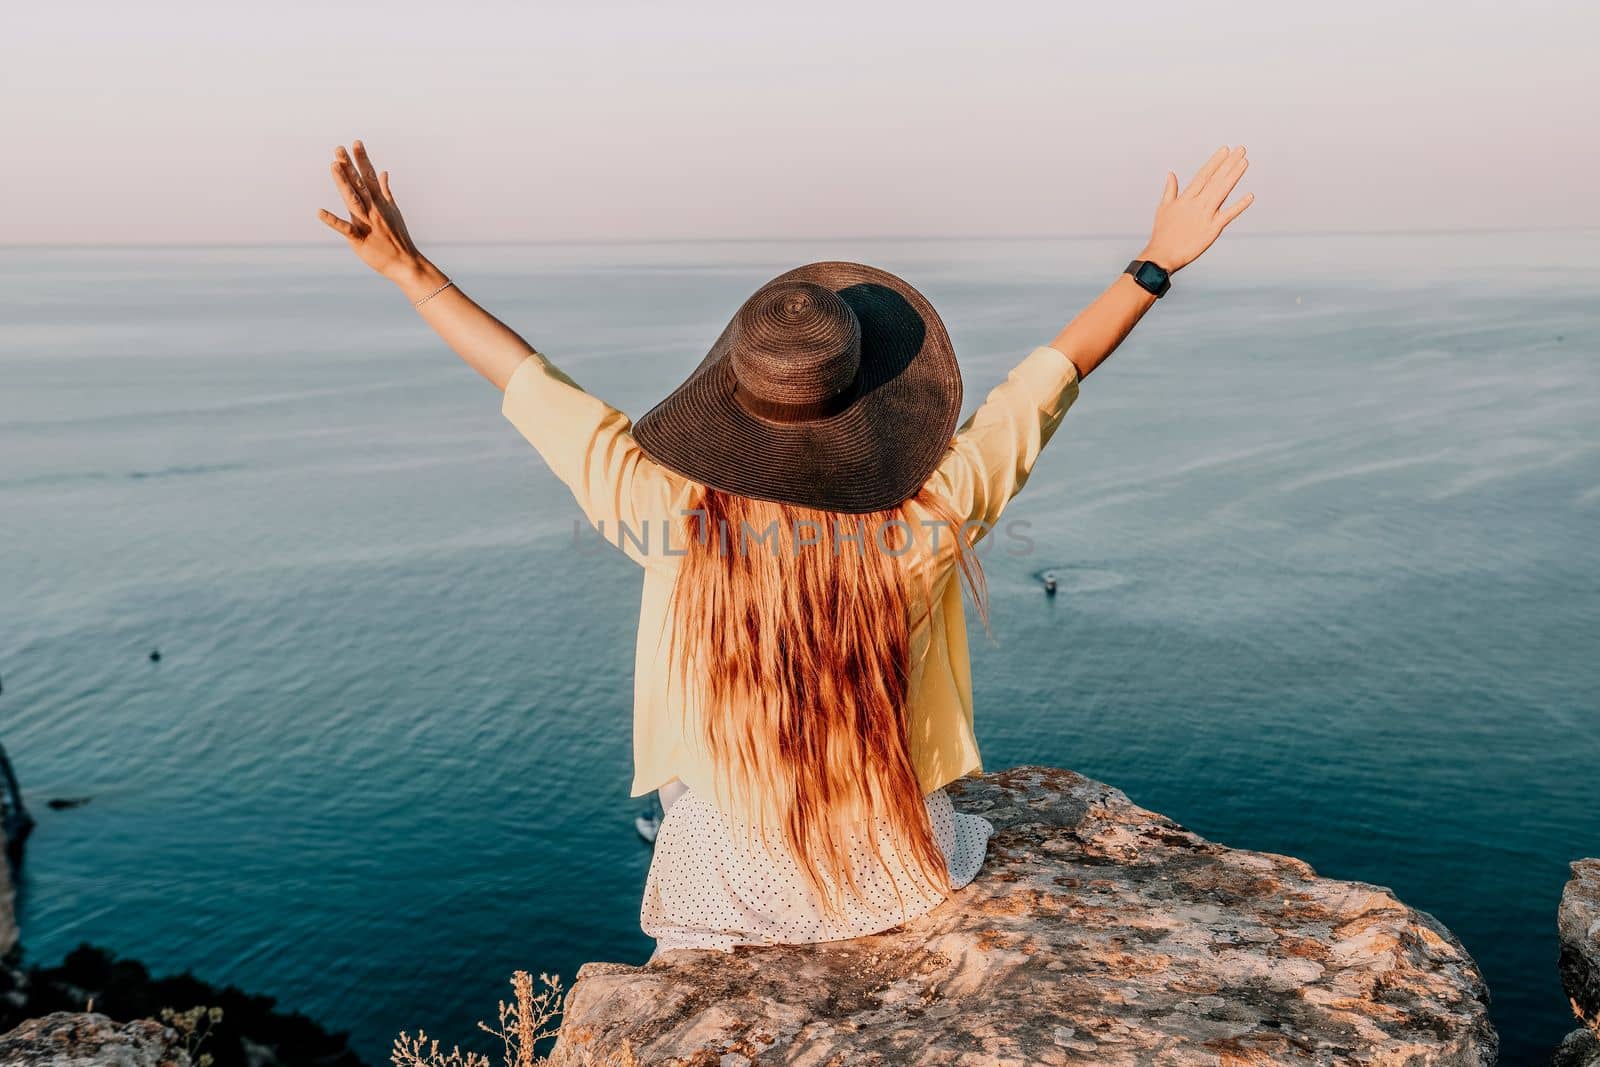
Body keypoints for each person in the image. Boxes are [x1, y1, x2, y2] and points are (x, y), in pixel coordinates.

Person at [318, 142, 1253, 954]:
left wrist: (411, 273)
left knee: (695, 810)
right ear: (872, 403)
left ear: (735, 401)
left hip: (729, 876)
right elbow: (1047, 380)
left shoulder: (669, 511)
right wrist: (1153, 265)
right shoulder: (925, 520)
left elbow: (530, 383)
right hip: (895, 868)